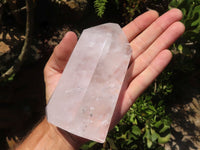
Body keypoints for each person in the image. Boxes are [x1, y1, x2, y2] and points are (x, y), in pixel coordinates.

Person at [16, 8, 185, 150]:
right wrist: (56, 133)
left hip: (71, 120)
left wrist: (56, 134)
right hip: (69, 120)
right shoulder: (104, 41)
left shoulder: (101, 39)